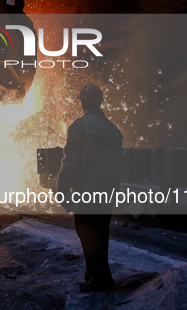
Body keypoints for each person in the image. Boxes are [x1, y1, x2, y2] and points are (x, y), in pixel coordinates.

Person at [57, 84, 124, 293]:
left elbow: (71, 161)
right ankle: (93, 274)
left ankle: (101, 281)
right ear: (100, 102)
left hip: (87, 190)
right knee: (101, 234)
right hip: (107, 191)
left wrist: (62, 186)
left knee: (87, 234)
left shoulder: (80, 126)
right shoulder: (114, 130)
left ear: (83, 102)